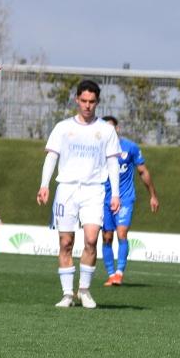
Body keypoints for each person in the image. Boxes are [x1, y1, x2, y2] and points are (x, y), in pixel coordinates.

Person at [37, 80, 120, 309]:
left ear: (98, 102)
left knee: (92, 239)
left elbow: (113, 162)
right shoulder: (63, 128)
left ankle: (84, 290)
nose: (87, 106)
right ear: (76, 100)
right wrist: (44, 185)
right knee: (66, 242)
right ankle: (67, 294)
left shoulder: (106, 130)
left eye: (92, 102)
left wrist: (115, 194)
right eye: (83, 101)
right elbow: (51, 157)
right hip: (67, 189)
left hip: (94, 189)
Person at [99, 116, 160, 285]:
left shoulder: (130, 147)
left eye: (111, 128)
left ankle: (119, 273)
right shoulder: (97, 148)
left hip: (125, 198)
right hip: (102, 199)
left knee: (122, 233)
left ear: (117, 129)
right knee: (107, 238)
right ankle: (111, 275)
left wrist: (153, 195)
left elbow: (143, 172)